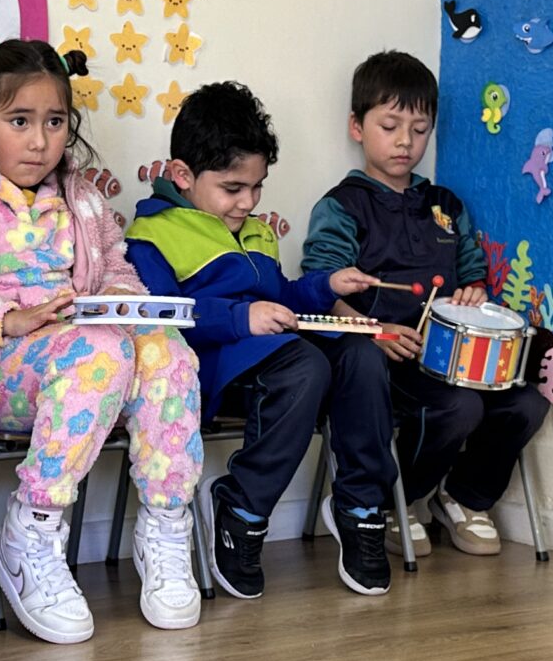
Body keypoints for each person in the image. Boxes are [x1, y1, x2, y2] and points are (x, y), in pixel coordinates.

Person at [0, 27, 204, 641]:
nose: (40, 140)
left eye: (54, 122)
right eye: (19, 121)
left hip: (83, 356)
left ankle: (166, 522)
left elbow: (119, 271)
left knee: (168, 352)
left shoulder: (84, 198)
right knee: (97, 352)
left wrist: (122, 307)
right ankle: (31, 529)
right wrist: (5, 319)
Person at [125, 83, 384, 596]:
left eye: (257, 186)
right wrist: (242, 318)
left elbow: (282, 295)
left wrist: (326, 285)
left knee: (361, 355)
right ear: (182, 175)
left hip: (277, 355)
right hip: (215, 368)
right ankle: (242, 508)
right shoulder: (151, 236)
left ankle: (361, 507)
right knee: (306, 366)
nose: (248, 201)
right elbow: (163, 316)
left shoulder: (256, 231)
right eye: (232, 188)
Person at [302, 50, 553, 559]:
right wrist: (372, 330)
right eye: (390, 126)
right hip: (383, 364)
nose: (404, 142)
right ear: (357, 126)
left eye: (419, 129)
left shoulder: (445, 204)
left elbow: (472, 272)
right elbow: (322, 287)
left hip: (449, 359)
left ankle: (464, 497)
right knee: (459, 407)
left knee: (527, 400)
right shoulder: (341, 205)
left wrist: (473, 292)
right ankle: (403, 500)